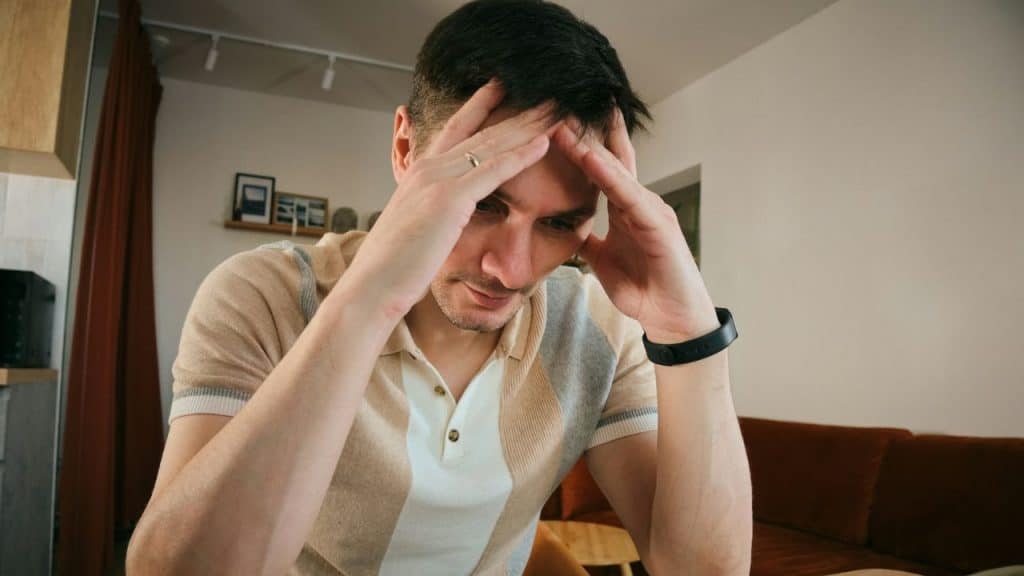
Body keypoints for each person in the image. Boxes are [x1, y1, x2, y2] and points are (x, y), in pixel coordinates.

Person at [126, 1, 752, 574]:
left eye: (560, 223)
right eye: (482, 201)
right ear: (406, 147)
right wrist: (371, 299)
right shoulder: (261, 295)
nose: (511, 270)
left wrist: (687, 334)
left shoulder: (597, 329)